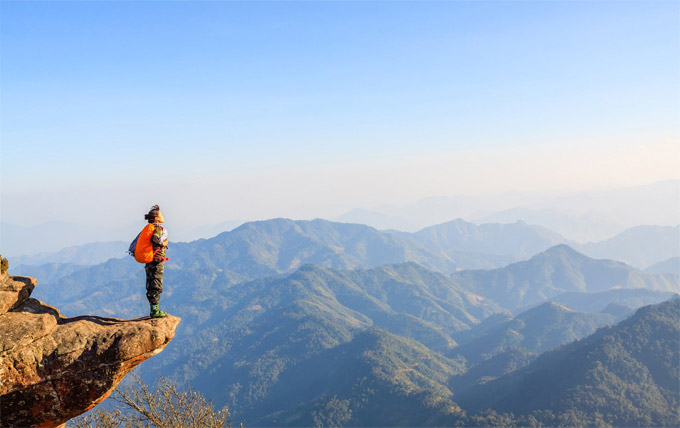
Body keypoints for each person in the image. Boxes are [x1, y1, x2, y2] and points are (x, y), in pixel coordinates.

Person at [144, 205, 169, 318]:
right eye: (161, 215)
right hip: (157, 260)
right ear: (157, 218)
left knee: (151, 283)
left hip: (150, 259)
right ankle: (155, 311)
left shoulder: (148, 228)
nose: (163, 216)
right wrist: (163, 243)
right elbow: (155, 238)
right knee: (156, 284)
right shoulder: (157, 228)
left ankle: (153, 309)